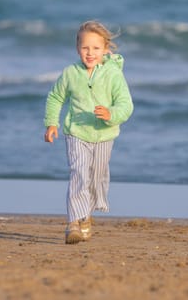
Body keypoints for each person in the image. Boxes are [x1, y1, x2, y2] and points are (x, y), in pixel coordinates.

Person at [44, 20, 133, 244]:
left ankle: (86, 216)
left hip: (104, 135)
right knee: (78, 173)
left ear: (105, 50)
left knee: (95, 179)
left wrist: (111, 114)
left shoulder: (113, 75)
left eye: (95, 48)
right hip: (76, 133)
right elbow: (55, 97)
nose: (90, 53)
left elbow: (126, 104)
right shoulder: (70, 73)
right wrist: (51, 123)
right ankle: (73, 222)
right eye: (85, 48)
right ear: (77, 49)